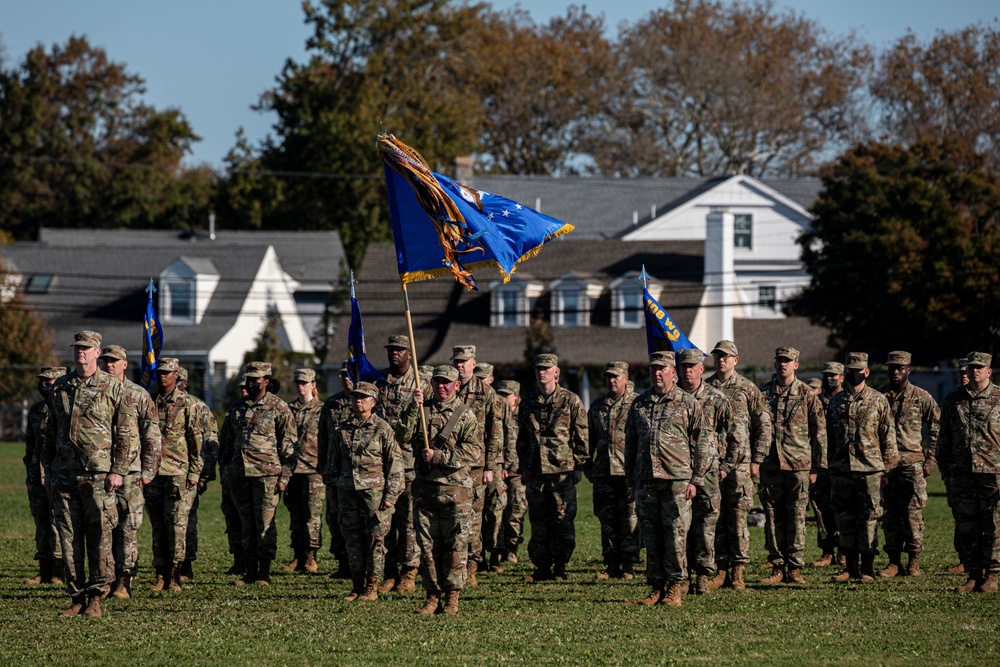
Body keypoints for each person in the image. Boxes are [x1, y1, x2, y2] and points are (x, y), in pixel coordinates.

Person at [43, 331, 128, 618]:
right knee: (68, 538)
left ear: (97, 352)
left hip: (98, 474)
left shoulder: (112, 387)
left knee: (100, 536)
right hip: (65, 473)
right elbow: (51, 432)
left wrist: (118, 469)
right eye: (78, 347)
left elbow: (125, 433)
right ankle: (76, 597)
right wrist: (47, 469)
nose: (81, 352)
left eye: (87, 348)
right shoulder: (61, 388)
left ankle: (96, 598)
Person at [625, 350, 708, 607]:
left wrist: (697, 479)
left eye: (662, 368)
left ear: (673, 372)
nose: (657, 373)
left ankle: (675, 588)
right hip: (646, 480)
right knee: (650, 536)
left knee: (675, 535)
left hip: (677, 480)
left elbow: (703, 441)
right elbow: (629, 444)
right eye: (653, 369)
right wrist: (631, 480)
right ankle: (656, 587)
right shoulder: (639, 403)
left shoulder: (687, 403)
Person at [398, 365, 483, 615]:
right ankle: (432, 596)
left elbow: (473, 451)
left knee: (455, 546)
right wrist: (413, 410)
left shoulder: (465, 415)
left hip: (456, 491)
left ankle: (452, 599)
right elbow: (402, 437)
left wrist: (438, 456)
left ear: (457, 385)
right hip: (426, 490)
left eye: (447, 382)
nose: (441, 386)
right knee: (427, 546)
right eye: (437, 382)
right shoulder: (421, 410)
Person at [219, 362, 296, 586]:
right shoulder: (237, 407)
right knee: (246, 525)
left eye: (256, 379)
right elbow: (226, 443)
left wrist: (285, 477)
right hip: (240, 476)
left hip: (267, 476)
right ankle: (249, 570)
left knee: (265, 525)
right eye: (249, 379)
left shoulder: (279, 407)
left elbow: (290, 446)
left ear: (267, 381)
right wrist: (226, 472)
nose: (252, 383)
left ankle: (264, 572)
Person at [704, 340, 771, 590]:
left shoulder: (747, 388)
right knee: (716, 516)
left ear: (736, 360)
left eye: (726, 356)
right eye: (717, 356)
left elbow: (763, 424)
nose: (721, 359)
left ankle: (738, 571)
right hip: (712, 463)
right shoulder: (706, 387)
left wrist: (757, 459)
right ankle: (720, 569)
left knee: (738, 516)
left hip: (741, 464)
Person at [757, 346, 826, 585]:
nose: (782, 364)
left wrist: (817, 467)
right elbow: (754, 428)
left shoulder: (807, 394)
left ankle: (795, 567)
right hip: (770, 464)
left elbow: (819, 432)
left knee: (797, 516)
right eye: (779, 360)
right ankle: (777, 566)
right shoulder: (763, 393)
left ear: (796, 365)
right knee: (773, 516)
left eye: (788, 361)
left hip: (799, 465)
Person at [826, 352, 898, 583]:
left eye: (858, 370)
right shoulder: (836, 401)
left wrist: (888, 469)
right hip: (842, 469)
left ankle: (867, 568)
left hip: (870, 470)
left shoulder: (878, 400)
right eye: (849, 370)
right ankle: (850, 568)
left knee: (868, 519)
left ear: (866, 372)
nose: (853, 374)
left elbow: (888, 436)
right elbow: (827, 438)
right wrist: (827, 465)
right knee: (845, 519)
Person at [328, 381, 404, 600]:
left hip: (375, 495)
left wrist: (390, 497)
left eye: (363, 397)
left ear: (374, 402)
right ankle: (356, 585)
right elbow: (333, 466)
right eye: (355, 397)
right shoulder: (341, 430)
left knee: (375, 540)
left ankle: (372, 586)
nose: (358, 400)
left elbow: (395, 465)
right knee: (352, 540)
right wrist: (333, 495)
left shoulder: (382, 429)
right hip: (347, 493)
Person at [518, 354, 589, 582]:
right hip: (536, 471)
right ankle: (541, 566)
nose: (542, 372)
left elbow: (581, 436)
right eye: (539, 368)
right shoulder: (528, 402)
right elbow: (521, 438)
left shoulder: (570, 400)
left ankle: (560, 566)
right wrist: (524, 467)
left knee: (562, 520)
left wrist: (579, 465)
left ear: (556, 372)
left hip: (562, 471)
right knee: (538, 521)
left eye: (547, 368)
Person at [98, 346, 161, 598]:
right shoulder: (96, 390)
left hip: (132, 472)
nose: (109, 365)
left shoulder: (137, 394)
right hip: (101, 469)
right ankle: (105, 578)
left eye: (114, 361)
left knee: (128, 526)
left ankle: (124, 579)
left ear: (125, 364)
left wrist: (148, 470)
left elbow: (152, 435)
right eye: (106, 361)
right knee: (103, 527)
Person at [678, 348, 742, 594]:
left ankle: (703, 575)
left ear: (701, 369)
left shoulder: (716, 398)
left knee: (706, 525)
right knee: (681, 526)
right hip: (679, 472)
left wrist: (726, 466)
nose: (688, 370)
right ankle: (682, 576)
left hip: (709, 473)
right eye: (684, 366)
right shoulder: (673, 398)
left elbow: (735, 435)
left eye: (692, 366)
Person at [937, 351, 1000, 593]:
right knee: (967, 525)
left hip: (993, 473)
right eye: (972, 366)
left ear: (989, 371)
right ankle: (973, 574)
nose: (975, 370)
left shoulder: (998, 397)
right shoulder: (953, 399)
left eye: (980, 367)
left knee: (994, 525)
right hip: (962, 473)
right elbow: (944, 439)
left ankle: (993, 575)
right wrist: (945, 472)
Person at [878, 351, 940, 578]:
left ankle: (914, 561)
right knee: (890, 515)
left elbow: (937, 427)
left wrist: (931, 458)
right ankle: (894, 562)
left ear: (908, 370)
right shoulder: (879, 397)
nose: (895, 372)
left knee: (913, 515)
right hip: (886, 466)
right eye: (892, 368)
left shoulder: (921, 397)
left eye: (900, 368)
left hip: (912, 464)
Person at [375, 335, 426, 594]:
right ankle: (389, 572)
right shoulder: (378, 380)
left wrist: (419, 403)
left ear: (410, 354)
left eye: (400, 350)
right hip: (381, 464)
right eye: (391, 350)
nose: (394, 354)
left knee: (408, 521)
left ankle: (409, 572)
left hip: (408, 463)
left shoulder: (420, 382)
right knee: (385, 522)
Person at [147, 358, 203, 592]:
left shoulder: (188, 404)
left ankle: (175, 575)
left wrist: (195, 472)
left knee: (177, 527)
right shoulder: (149, 401)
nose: (163, 376)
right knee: (158, 527)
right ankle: (160, 574)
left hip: (179, 474)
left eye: (168, 373)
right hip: (153, 474)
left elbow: (196, 440)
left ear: (177, 376)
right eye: (160, 372)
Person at [451, 345, 503, 586]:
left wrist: (490, 466)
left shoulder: (486, 392)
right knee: (451, 518)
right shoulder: (446, 387)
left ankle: (472, 565)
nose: (460, 365)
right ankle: (452, 566)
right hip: (450, 465)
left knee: (473, 519)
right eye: (457, 361)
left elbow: (495, 432)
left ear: (474, 363)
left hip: (475, 466)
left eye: (465, 361)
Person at [588, 361, 640, 580]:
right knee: (607, 520)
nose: (611, 380)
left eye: (616, 376)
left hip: (628, 472)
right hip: (603, 471)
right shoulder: (598, 405)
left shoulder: (638, 403)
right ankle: (611, 564)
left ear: (625, 378)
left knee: (630, 519)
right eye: (608, 376)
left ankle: (628, 564)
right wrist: (587, 465)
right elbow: (588, 438)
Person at [24, 366, 66, 586]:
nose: (45, 386)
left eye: (49, 382)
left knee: (58, 523)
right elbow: (30, 444)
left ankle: (60, 571)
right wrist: (31, 470)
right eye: (42, 382)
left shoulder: (66, 409)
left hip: (58, 475)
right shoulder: (36, 410)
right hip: (36, 475)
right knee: (41, 523)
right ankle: (45, 570)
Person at [176, 366, 218, 583]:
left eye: (180, 380)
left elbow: (210, 444)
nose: (177, 384)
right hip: (162, 472)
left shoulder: (198, 407)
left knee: (187, 521)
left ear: (185, 382)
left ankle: (186, 563)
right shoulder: (156, 403)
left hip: (188, 474)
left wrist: (204, 475)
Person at [282, 368, 325, 573]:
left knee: (312, 515)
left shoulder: (322, 410)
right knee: (295, 515)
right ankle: (297, 555)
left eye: (305, 382)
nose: (301, 386)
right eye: (298, 382)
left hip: (314, 469)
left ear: (313, 385)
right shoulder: (287, 409)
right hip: (292, 468)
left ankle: (311, 555)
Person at [317, 363, 354, 578]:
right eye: (342, 375)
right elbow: (322, 437)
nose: (346, 378)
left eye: (350, 374)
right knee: (335, 518)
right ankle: (343, 564)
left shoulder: (371, 402)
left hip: (361, 473)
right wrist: (323, 467)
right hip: (334, 472)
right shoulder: (332, 404)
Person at [809, 361, 845, 568]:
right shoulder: (816, 401)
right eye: (826, 375)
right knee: (821, 509)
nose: (830, 378)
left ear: (842, 377)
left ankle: (843, 551)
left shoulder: (845, 401)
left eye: (834, 375)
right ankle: (827, 551)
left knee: (841, 507)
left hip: (841, 462)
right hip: (820, 464)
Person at [496, 380, 526, 565]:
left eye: (506, 395)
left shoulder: (524, 416)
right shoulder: (496, 414)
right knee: (497, 512)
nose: (503, 398)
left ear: (516, 396)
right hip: (499, 471)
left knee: (516, 511)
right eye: (500, 394)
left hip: (518, 471)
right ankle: (497, 549)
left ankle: (512, 549)